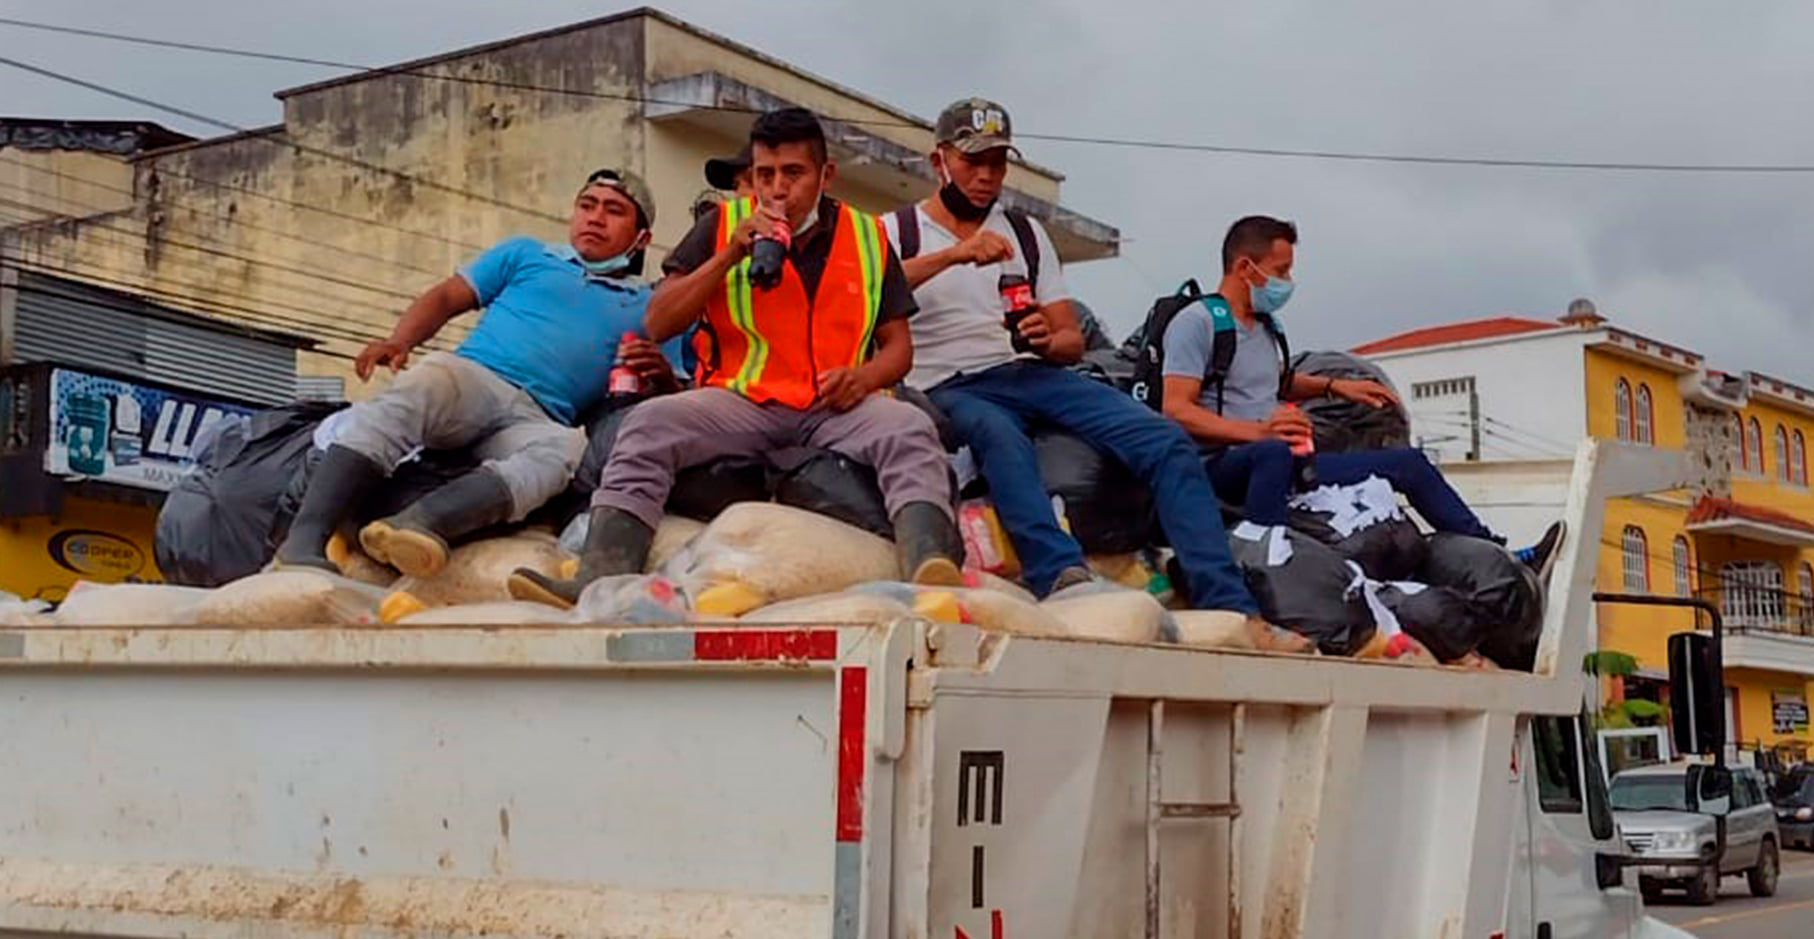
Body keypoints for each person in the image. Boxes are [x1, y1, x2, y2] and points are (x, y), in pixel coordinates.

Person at [511, 108, 963, 606]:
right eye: (765, 175)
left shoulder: (868, 237)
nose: (778, 189)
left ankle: (929, 568)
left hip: (834, 405)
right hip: (740, 400)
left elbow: (898, 347)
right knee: (649, 424)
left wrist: (865, 377)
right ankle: (598, 576)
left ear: (826, 175)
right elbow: (659, 321)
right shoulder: (723, 225)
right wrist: (729, 254)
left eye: (794, 173)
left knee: (908, 426)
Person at [888, 97, 1263, 618]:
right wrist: (954, 254)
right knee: (1001, 438)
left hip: (1026, 371)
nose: (986, 176)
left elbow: (1070, 340)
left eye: (996, 163)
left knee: (1164, 439)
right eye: (973, 161)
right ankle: (1060, 573)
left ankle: (1227, 602)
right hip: (945, 381)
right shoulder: (897, 231)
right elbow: (869, 288)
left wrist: (1046, 338)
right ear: (940, 161)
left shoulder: (1026, 234)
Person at [274, 169, 678, 577]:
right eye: (587, 206)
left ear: (642, 238)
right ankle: (305, 538)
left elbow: (678, 397)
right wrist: (399, 341)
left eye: (614, 211)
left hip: (540, 415)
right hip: (473, 379)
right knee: (424, 383)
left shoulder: (653, 307)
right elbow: (447, 296)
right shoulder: (527, 254)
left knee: (563, 453)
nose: (595, 218)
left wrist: (662, 377)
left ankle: (417, 524)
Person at [1160, 215, 1562, 574]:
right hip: (1222, 466)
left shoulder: (1265, 326)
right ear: (1245, 267)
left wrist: (1337, 387)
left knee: (1409, 463)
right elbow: (1175, 409)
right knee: (1273, 453)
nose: (1287, 282)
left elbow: (1272, 380)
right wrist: (1259, 433)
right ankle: (1266, 570)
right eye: (1281, 271)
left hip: (1280, 462)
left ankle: (1505, 557)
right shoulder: (1197, 323)